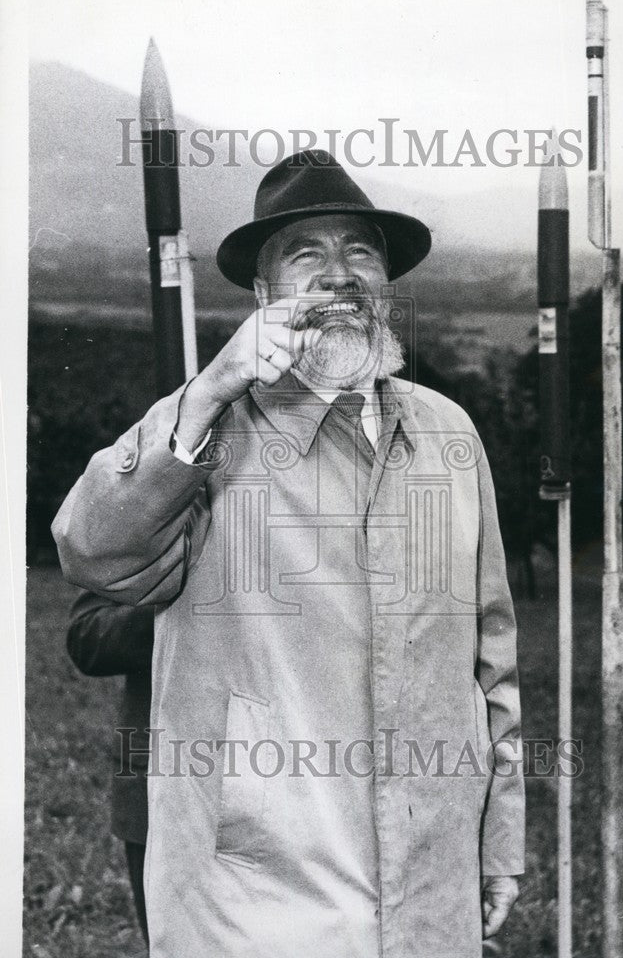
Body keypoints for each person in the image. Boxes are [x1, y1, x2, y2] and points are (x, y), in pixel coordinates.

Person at [53, 150, 525, 958]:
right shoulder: (210, 427)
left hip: (427, 880)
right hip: (257, 895)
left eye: (361, 251)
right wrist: (207, 389)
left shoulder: (448, 432)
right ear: (263, 293)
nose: (339, 274)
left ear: (385, 284)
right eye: (306, 254)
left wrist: (498, 839)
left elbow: (490, 660)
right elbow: (91, 550)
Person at [66, 590, 154, 946]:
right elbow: (87, 635)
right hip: (159, 781)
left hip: (293, 773)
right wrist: (179, 614)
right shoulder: (144, 531)